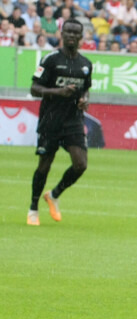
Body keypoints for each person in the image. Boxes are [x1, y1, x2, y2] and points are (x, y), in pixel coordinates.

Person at [27, 19, 91, 226]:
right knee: (44, 166)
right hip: (51, 120)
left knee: (80, 164)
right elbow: (34, 89)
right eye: (68, 32)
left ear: (80, 37)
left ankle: (54, 195)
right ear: (61, 35)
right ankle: (33, 208)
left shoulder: (86, 65)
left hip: (73, 120)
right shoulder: (50, 60)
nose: (71, 36)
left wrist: (84, 100)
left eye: (75, 33)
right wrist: (58, 92)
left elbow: (85, 90)